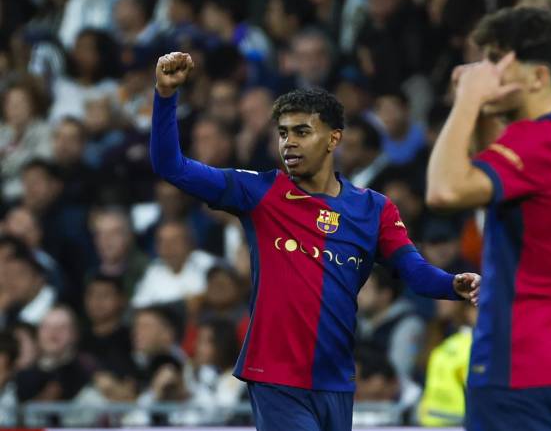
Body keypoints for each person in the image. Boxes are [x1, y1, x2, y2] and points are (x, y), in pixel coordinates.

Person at [151, 51, 479, 431]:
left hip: (336, 380)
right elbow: (169, 165)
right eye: (283, 132)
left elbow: (414, 272)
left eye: (302, 132)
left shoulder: (374, 209)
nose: (288, 142)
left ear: (333, 138)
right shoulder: (260, 192)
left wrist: (453, 284)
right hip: (276, 378)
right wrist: (165, 95)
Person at [426, 7, 551, 431]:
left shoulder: (534, 144)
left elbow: (444, 190)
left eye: (496, 60)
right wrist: (485, 108)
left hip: (516, 364)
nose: (483, 72)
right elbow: (498, 179)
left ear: (538, 77)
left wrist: (466, 100)